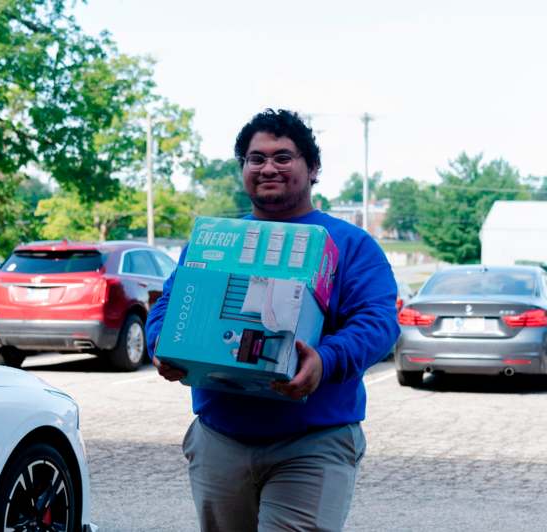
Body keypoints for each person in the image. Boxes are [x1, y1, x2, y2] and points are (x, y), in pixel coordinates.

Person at [146, 109, 400, 532]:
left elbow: (377, 323)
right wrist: (162, 344)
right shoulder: (216, 239)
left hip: (312, 443)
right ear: (243, 168)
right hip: (219, 439)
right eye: (255, 158)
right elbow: (170, 303)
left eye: (283, 157)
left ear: (313, 168)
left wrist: (325, 360)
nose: (268, 167)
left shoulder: (350, 244)